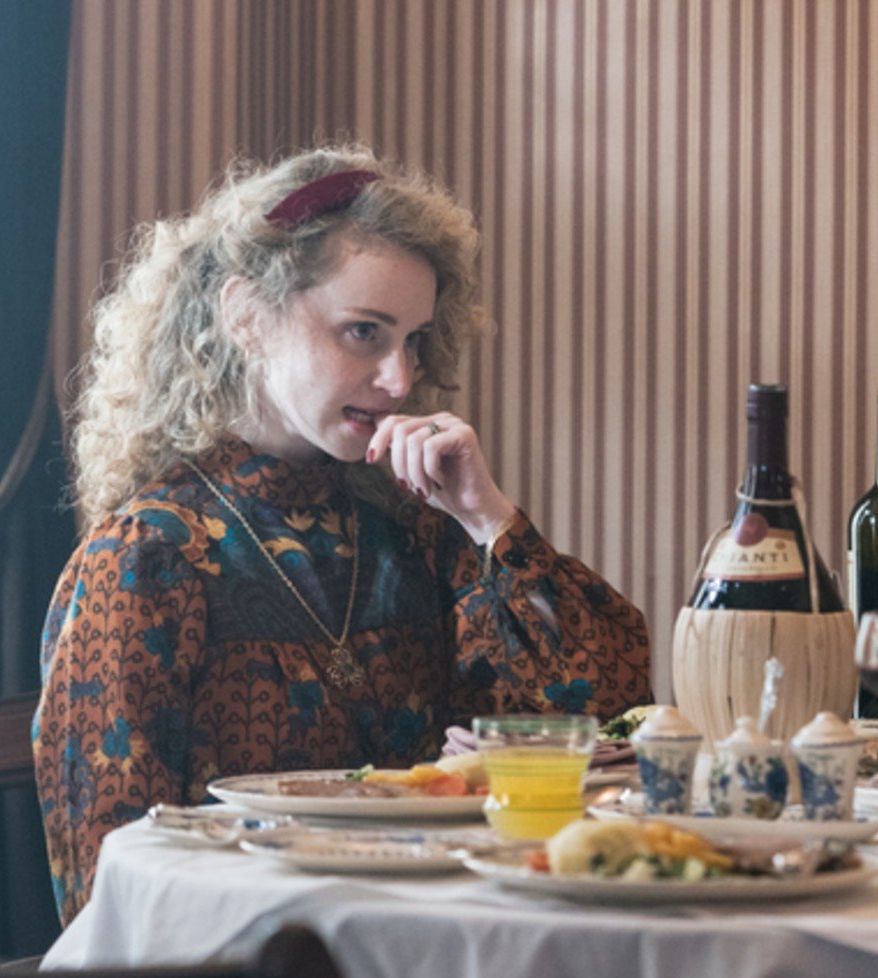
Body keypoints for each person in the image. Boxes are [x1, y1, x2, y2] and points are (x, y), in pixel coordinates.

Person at [34, 146, 651, 921]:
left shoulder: (416, 538)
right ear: (246, 317)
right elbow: (113, 884)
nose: (399, 380)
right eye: (365, 332)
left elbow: (611, 716)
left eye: (414, 341)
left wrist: (488, 518)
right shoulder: (145, 561)